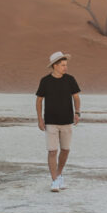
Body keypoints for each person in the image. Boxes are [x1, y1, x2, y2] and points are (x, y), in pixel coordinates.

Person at [35, 51, 81, 192]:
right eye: (62, 65)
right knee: (52, 151)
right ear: (54, 66)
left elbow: (76, 97)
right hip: (51, 122)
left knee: (65, 150)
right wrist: (40, 119)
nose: (65, 67)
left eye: (66, 65)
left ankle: (59, 174)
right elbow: (39, 100)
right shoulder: (45, 81)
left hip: (67, 122)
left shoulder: (70, 79)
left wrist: (77, 112)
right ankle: (54, 180)